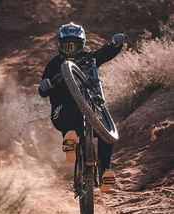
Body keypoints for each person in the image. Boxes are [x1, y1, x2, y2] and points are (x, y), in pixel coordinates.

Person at [39, 22, 126, 192]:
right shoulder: (54, 64)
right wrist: (45, 85)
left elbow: (104, 53)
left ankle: (105, 171)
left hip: (90, 112)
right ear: (59, 45)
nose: (71, 50)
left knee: (105, 131)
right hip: (62, 113)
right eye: (67, 46)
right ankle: (70, 140)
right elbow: (42, 91)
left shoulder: (88, 58)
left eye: (75, 46)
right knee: (69, 110)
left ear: (82, 45)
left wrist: (116, 44)